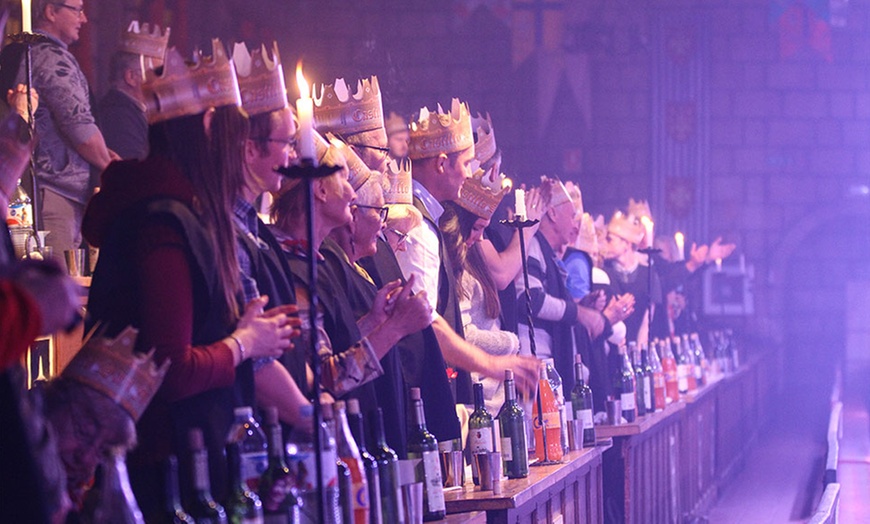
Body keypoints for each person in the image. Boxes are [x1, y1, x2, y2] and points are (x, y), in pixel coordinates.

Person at [81, 41, 295, 516]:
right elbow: (169, 370)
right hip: (169, 476)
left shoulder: (186, 212)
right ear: (207, 128)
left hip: (197, 461)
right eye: (234, 132)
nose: (240, 148)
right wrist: (245, 343)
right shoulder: (163, 222)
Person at [399, 99, 538, 404]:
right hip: (423, 390)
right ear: (441, 163)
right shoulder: (418, 227)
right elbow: (424, 319)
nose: (468, 175)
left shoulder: (426, 220)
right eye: (465, 165)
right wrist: (492, 362)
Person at [322, 148, 432, 455]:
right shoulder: (327, 267)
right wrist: (395, 326)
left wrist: (374, 320)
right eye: (379, 212)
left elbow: (346, 338)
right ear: (352, 215)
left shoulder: (345, 265)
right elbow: (328, 372)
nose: (383, 224)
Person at [226, 42, 311, 425]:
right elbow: (257, 361)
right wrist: (312, 418)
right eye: (286, 143)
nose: (293, 156)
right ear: (248, 150)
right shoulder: (228, 227)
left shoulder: (249, 223)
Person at [0, 0, 119, 254]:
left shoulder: (35, 54)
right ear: (51, 11)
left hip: (48, 191)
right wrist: (113, 167)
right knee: (56, 280)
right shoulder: (51, 58)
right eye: (76, 10)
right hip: (53, 195)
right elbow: (80, 129)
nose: (83, 19)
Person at [514, 177, 611, 393]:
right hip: (536, 365)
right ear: (553, 214)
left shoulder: (549, 254)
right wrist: (579, 313)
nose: (575, 222)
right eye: (571, 215)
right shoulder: (532, 246)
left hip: (549, 366)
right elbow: (530, 300)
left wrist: (582, 305)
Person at [440, 168, 517, 414]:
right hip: (476, 394)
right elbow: (464, 333)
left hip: (495, 391)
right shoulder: (457, 272)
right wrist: (510, 342)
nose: (479, 237)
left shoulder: (470, 264)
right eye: (476, 228)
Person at [96, 21, 170, 161]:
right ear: (131, 77)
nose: (162, 81)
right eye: (157, 73)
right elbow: (133, 171)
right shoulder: (117, 115)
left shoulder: (133, 110)